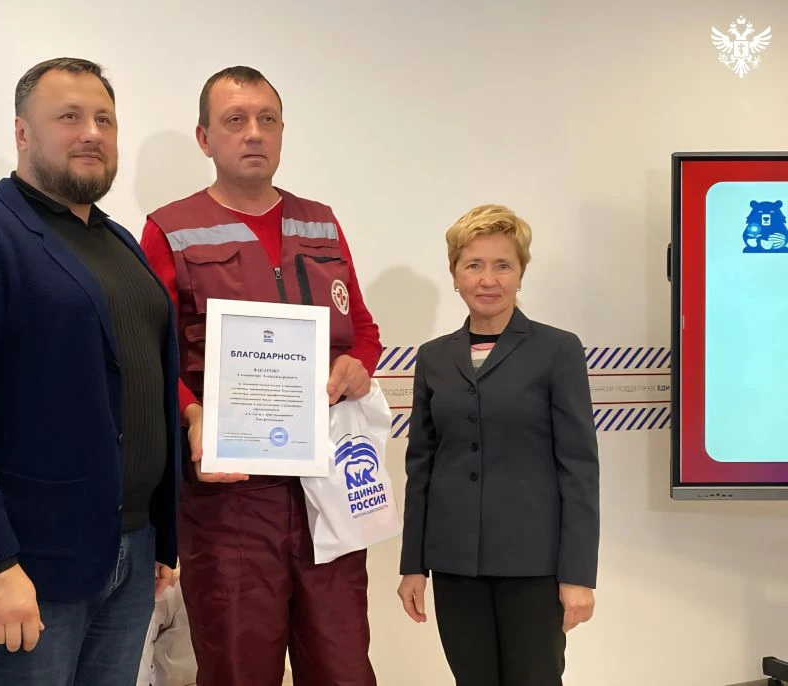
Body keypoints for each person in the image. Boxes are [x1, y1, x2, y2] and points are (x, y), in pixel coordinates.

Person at [0, 57, 181, 686]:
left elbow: (140, 388)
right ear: (22, 133)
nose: (92, 133)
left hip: (129, 552)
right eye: (69, 117)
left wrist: (159, 538)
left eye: (105, 119)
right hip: (25, 568)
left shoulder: (120, 244)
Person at [139, 65, 382, 686]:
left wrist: (359, 365)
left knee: (344, 668)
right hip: (231, 502)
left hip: (328, 489)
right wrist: (192, 412)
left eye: (267, 119)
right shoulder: (171, 230)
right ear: (204, 138)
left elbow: (363, 329)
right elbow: (150, 356)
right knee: (238, 669)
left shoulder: (320, 223)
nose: (254, 132)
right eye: (235, 120)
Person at [396, 204, 600, 686]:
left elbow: (579, 469)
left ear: (521, 272)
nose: (488, 279)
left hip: (534, 565)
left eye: (503, 265)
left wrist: (578, 574)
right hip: (453, 564)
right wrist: (413, 566)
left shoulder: (558, 350)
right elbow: (421, 466)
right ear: (455, 274)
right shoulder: (433, 358)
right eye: (474, 265)